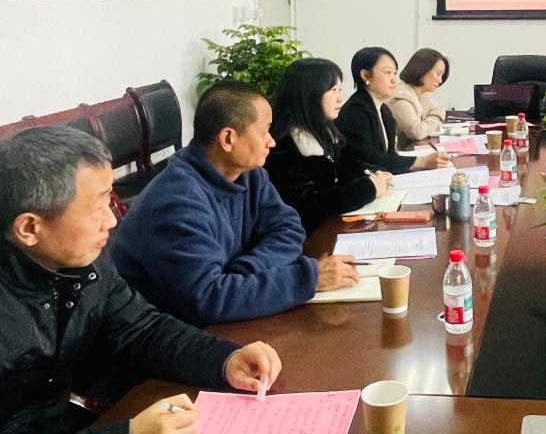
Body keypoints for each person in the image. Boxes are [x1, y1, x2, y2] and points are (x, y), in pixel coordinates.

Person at [0, 126, 282, 434]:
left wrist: (225, 360)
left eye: (109, 200)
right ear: (29, 229)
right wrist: (130, 432)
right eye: (95, 209)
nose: (111, 220)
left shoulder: (84, 261)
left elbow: (141, 329)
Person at [111, 81, 360, 326]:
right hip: (165, 333)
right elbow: (208, 299)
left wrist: (243, 271)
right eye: (264, 131)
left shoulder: (248, 173)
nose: (272, 141)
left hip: (223, 319)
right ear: (228, 139)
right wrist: (308, 279)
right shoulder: (177, 202)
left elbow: (289, 228)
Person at [266, 58, 392, 231]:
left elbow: (348, 166)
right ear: (310, 94)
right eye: (333, 90)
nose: (340, 99)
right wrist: (368, 188)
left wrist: (372, 173)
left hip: (334, 227)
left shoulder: (326, 130)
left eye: (340, 90)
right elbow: (308, 205)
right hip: (308, 236)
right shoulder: (282, 146)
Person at [337, 47, 450, 174]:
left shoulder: (383, 109)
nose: (393, 80)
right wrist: (421, 162)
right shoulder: (356, 111)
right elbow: (370, 158)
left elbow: (390, 156)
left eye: (394, 73)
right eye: (388, 72)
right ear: (365, 75)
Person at [388, 48, 449, 148]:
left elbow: (439, 109)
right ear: (422, 70)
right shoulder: (400, 96)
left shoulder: (422, 95)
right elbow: (417, 132)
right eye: (438, 74)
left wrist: (429, 121)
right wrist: (435, 121)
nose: (440, 80)